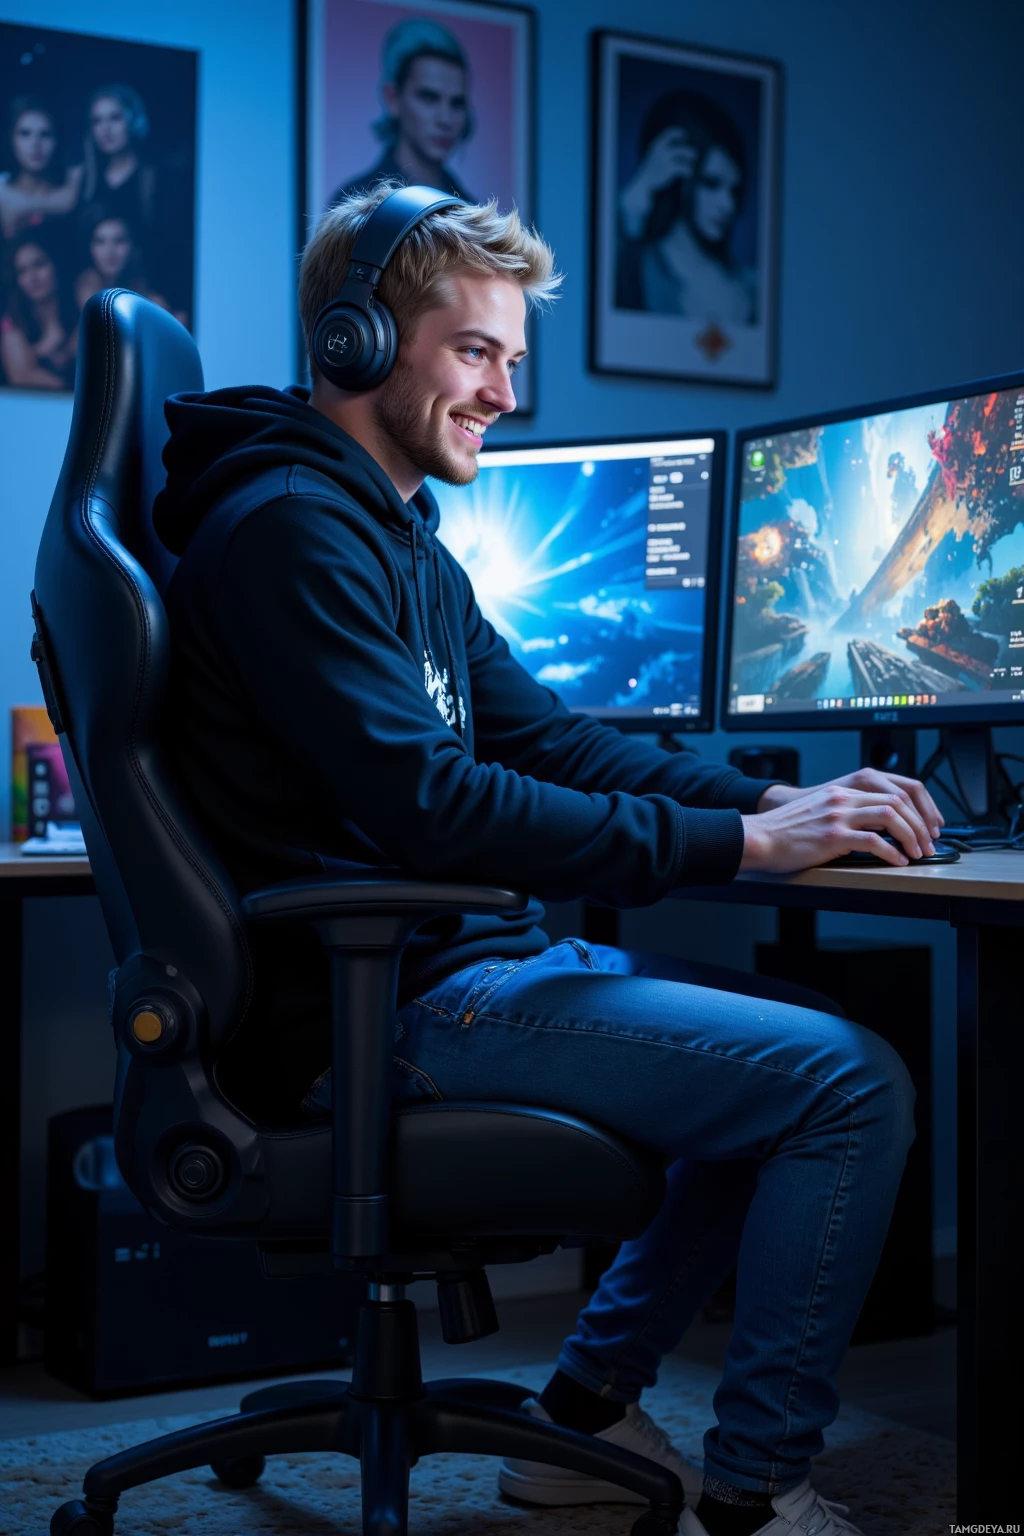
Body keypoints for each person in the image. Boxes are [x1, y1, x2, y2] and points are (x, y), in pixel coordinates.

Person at [154, 181, 939, 1536]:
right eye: (476, 352)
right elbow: (439, 807)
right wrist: (748, 844)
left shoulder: (392, 534)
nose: (506, 395)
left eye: (512, 359)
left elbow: (557, 743)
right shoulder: (292, 530)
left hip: (447, 974)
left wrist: (777, 798)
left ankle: (579, 1418)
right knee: (845, 1084)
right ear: (355, 340)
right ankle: (757, 1492)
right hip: (381, 1009)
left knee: (794, 1047)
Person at [617, 89, 756, 323]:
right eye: (711, 183)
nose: (728, 205)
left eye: (734, 191)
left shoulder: (749, 286)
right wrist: (640, 191)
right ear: (679, 180)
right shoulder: (636, 268)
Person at [330, 17, 474, 203]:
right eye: (429, 98)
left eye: (457, 103)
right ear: (393, 99)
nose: (445, 119)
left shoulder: (470, 206)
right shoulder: (356, 201)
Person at [74, 213, 186, 325]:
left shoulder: (151, 300)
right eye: (100, 241)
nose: (109, 251)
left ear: (133, 246)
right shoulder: (84, 290)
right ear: (90, 248)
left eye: (119, 241)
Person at [0, 95, 83, 242]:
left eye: (45, 135)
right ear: (12, 139)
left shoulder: (70, 193)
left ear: (57, 140)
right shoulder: (2, 188)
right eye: (25, 134)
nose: (35, 144)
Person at [1, 230, 77, 390]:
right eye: (22, 271)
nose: (32, 277)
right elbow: (21, 376)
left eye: (39, 264)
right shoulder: (13, 323)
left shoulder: (80, 308)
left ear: (55, 264)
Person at [81, 85, 156, 243]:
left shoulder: (154, 178)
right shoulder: (87, 180)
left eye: (115, 118)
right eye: (97, 121)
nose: (105, 129)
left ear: (134, 121)